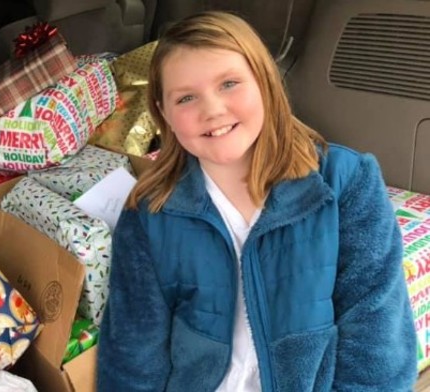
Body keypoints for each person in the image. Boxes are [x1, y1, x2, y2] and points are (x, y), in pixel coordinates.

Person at [97, 11, 417, 392]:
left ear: (265, 83)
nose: (212, 109)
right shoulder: (150, 215)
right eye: (186, 97)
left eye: (229, 83)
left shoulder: (346, 183)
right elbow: (133, 358)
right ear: (164, 115)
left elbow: (377, 343)